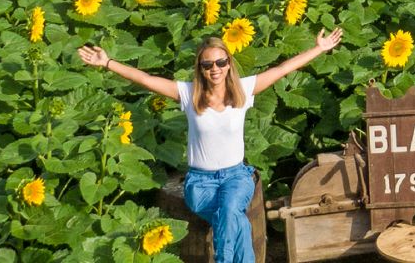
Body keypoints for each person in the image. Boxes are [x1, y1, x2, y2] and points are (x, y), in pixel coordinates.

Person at [77, 27, 343, 263]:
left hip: (236, 177)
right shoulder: (189, 94)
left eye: (220, 62)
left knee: (229, 209)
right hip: (200, 183)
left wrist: (319, 49)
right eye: (207, 64)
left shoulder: (243, 90)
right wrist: (107, 62)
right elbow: (146, 80)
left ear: (229, 64)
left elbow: (282, 69)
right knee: (236, 220)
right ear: (200, 68)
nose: (215, 68)